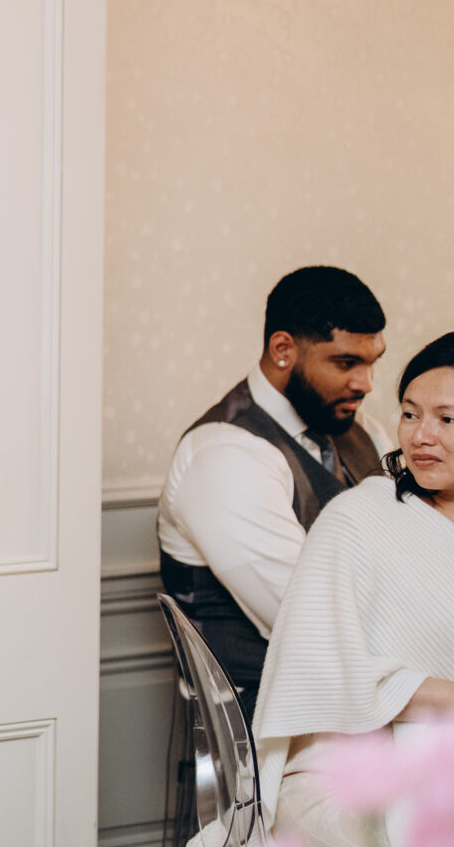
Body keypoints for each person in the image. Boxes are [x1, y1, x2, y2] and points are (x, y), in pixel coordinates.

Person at [243, 333, 454, 847]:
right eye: (410, 413)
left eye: (447, 420)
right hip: (345, 779)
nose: (421, 436)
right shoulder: (358, 520)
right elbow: (321, 672)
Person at [156, 266, 388, 721]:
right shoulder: (224, 457)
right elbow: (313, 623)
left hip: (361, 697)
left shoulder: (365, 431)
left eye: (372, 362)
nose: (366, 383)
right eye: (346, 363)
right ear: (283, 350)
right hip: (265, 719)